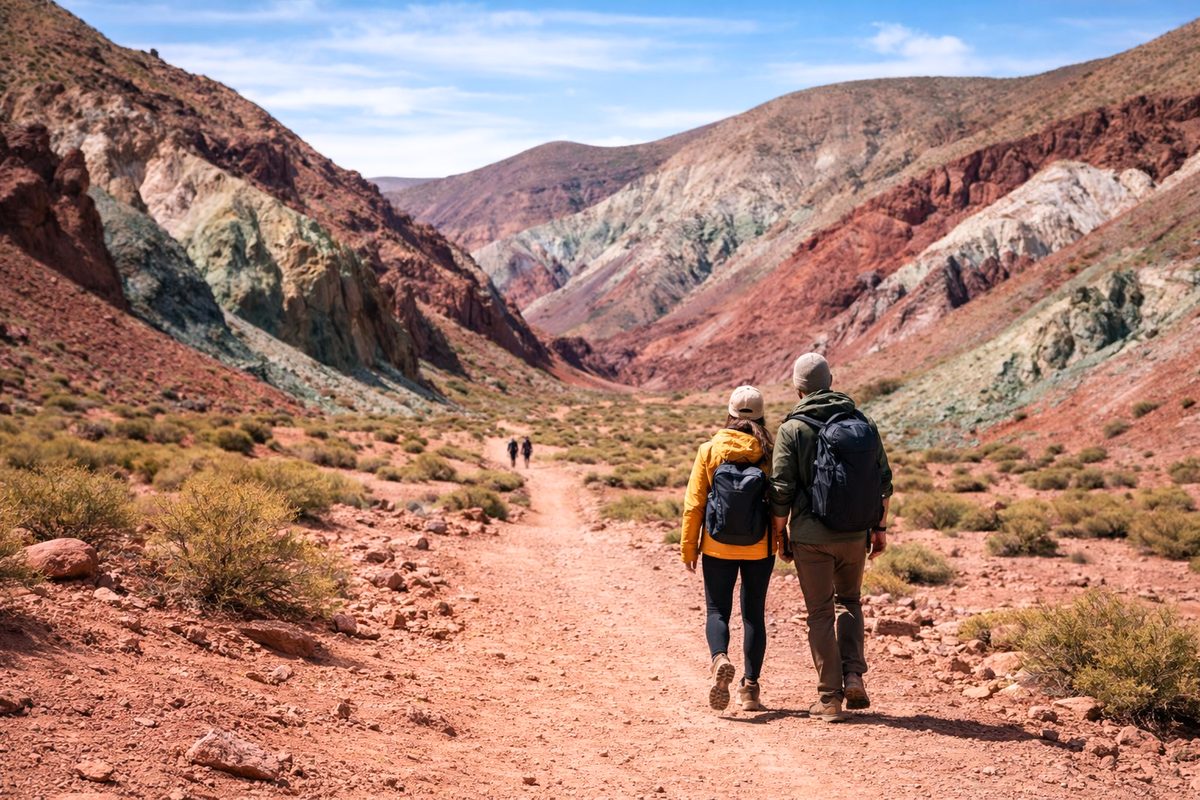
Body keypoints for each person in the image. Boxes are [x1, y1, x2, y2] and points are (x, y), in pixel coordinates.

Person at [771, 353, 892, 723]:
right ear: (831, 380)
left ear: (798, 387)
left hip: (811, 537)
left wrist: (780, 533)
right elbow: (884, 481)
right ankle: (853, 674)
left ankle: (829, 699)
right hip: (855, 533)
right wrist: (880, 528)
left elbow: (781, 488)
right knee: (850, 601)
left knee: (820, 612)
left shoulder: (792, 429)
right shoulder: (862, 421)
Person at [680, 385, 780, 712]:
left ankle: (719, 659)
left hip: (717, 545)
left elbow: (694, 505)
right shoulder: (769, 452)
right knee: (753, 615)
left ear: (730, 413)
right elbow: (781, 503)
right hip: (758, 548)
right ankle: (750, 690)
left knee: (717, 611)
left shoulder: (709, 449)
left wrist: (688, 548)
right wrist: (781, 540)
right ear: (762, 414)